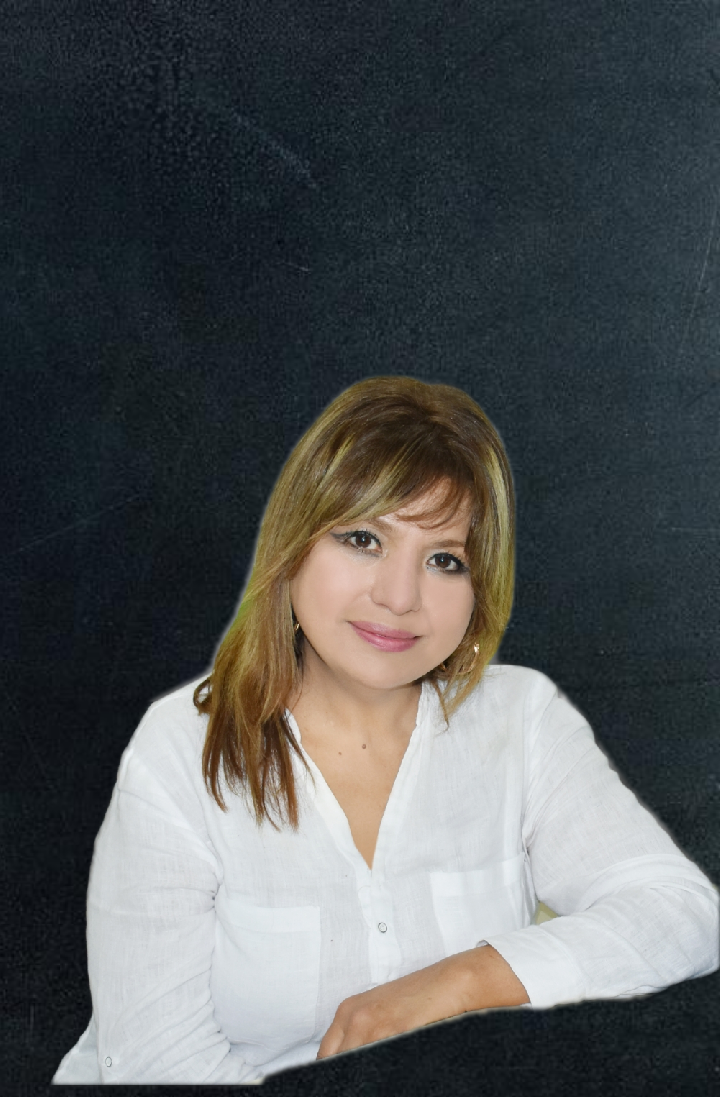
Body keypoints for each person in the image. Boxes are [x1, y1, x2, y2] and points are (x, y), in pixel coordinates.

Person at [53, 377, 719, 1085]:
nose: (399, 597)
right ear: (293, 548)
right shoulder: (181, 748)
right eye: (364, 539)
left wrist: (461, 981)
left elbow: (681, 915)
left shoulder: (520, 718)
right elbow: (156, 1065)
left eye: (444, 559)